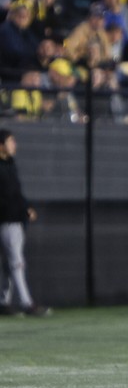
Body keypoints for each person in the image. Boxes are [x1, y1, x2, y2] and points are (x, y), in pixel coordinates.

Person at [0, 129, 50, 316]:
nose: (14, 145)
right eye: (10, 141)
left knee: (9, 264)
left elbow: (16, 193)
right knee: (16, 262)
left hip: (13, 220)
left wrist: (26, 207)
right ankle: (27, 303)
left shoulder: (10, 165)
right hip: (8, 221)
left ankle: (3, 302)